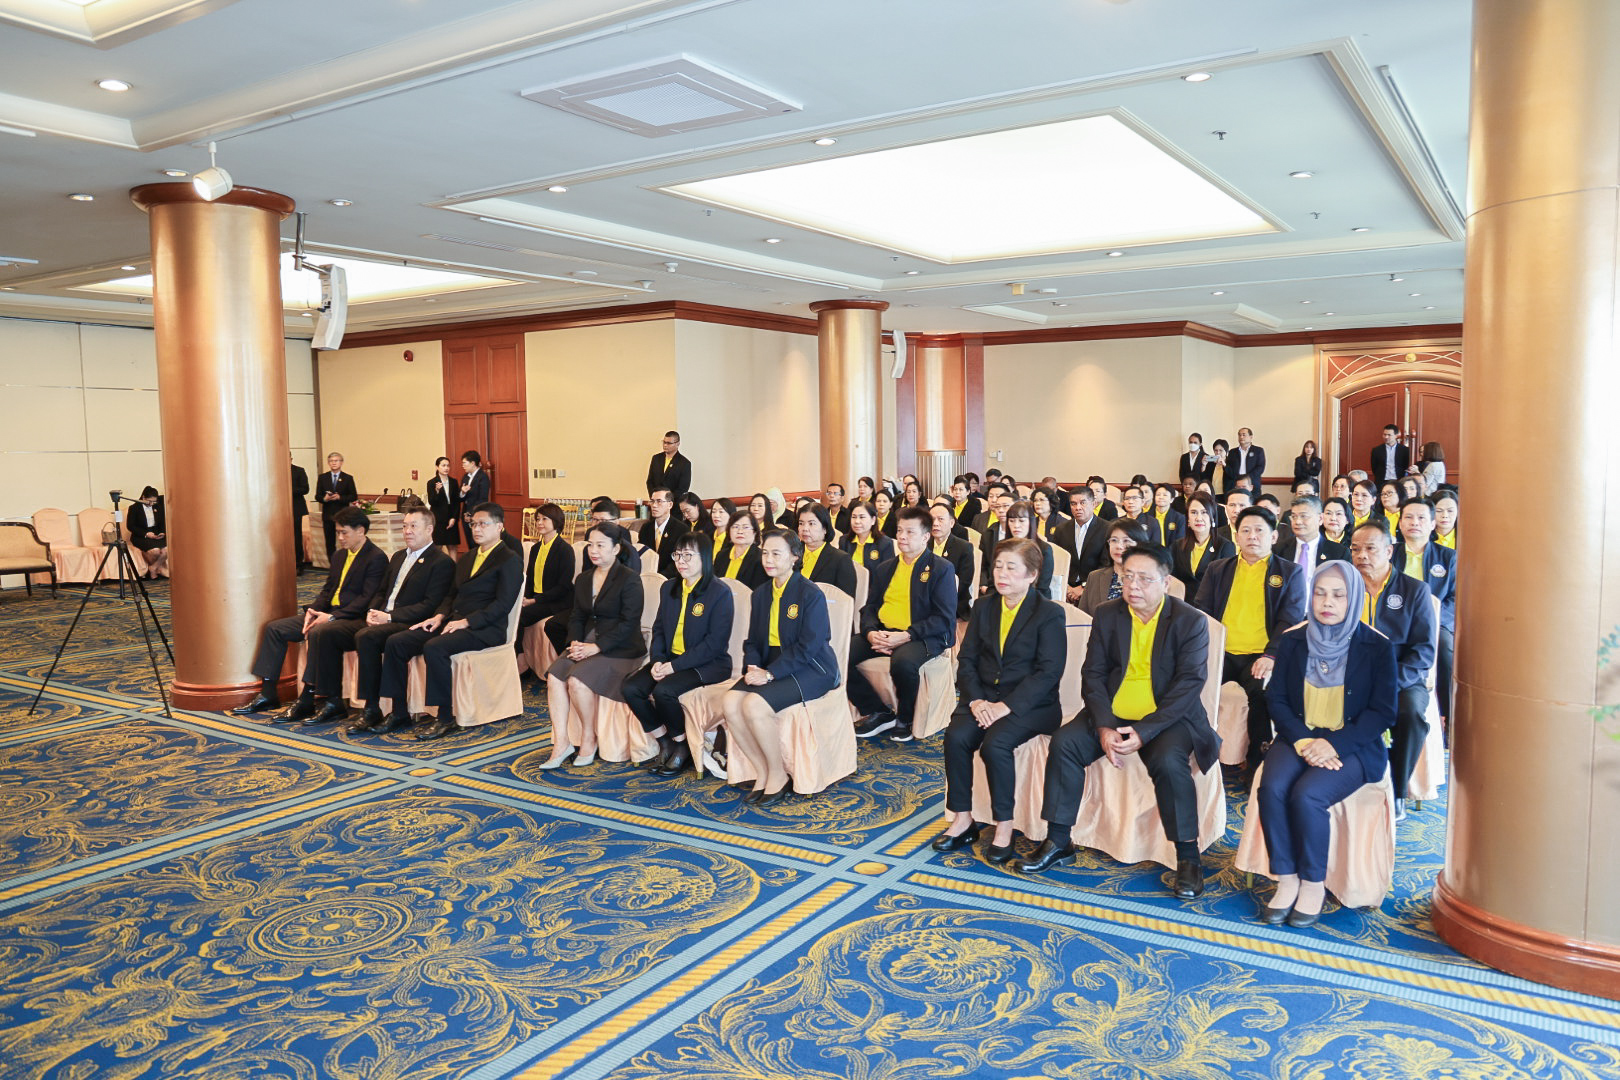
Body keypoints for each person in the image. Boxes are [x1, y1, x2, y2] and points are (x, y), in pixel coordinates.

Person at [1014, 544, 1216, 897]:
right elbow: (1092, 674)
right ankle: (1058, 840)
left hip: (1167, 719)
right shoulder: (1108, 614)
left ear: (1165, 582)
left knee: (1170, 763)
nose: (1133, 586)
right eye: (1127, 577)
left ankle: (1188, 857)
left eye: (1144, 579)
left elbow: (1188, 686)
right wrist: (1105, 726)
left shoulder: (1190, 621)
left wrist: (1144, 732)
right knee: (1065, 743)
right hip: (1112, 712)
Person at [1256, 561, 1398, 928]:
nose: (1327, 602)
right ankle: (1287, 878)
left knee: (1308, 795)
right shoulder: (1293, 639)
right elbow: (1277, 700)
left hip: (1352, 745)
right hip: (1299, 735)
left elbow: (1383, 712)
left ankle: (1313, 884)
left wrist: (1333, 745)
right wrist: (1305, 740)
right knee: (1271, 788)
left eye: (1338, 595)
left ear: (1354, 598)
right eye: (1319, 593)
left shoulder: (1377, 646)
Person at [936, 538, 1067, 861]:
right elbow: (967, 659)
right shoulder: (984, 606)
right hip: (983, 699)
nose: (1002, 574)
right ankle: (963, 819)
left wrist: (1004, 707)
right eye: (997, 566)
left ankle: (1004, 826)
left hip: (1031, 705)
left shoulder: (1049, 613)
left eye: (1011, 568)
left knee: (995, 745)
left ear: (1032, 575)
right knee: (956, 736)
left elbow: (1048, 673)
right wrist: (976, 701)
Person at [368, 502, 522, 740]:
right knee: (397, 642)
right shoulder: (468, 556)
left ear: (499, 527)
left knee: (435, 647)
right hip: (452, 621)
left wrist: (467, 622)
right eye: (473, 524)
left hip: (485, 628)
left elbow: (503, 605)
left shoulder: (509, 559)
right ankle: (399, 712)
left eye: (483, 524)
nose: (476, 529)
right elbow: (451, 595)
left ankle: (445, 716)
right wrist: (438, 617)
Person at [720, 529, 840, 803]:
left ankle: (778, 774)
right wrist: (753, 666)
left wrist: (771, 673)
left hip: (812, 667)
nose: (768, 559)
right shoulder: (761, 594)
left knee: (754, 705)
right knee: (730, 702)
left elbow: (809, 646)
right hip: (771, 662)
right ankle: (761, 770)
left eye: (776, 554)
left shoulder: (810, 593)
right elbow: (753, 641)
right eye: (765, 553)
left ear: (795, 557)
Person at [232, 506, 387, 717]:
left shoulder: (376, 557)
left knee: (318, 632)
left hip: (352, 618)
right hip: (328, 613)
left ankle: (308, 698)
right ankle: (268, 693)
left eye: (344, 533)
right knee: (275, 629)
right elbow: (328, 590)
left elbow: (366, 599)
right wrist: (313, 611)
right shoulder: (339, 555)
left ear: (361, 531)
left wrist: (332, 616)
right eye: (338, 532)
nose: (340, 538)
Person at [1193, 506, 1307, 772]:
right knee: (1191, 688)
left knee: (1263, 696)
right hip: (1220, 653)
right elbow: (1202, 612)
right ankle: (1202, 760)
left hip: (1260, 654)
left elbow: (1289, 620)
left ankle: (1258, 764)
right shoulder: (1218, 569)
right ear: (1236, 536)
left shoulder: (1289, 572)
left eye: (1259, 530)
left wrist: (1271, 655)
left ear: (1274, 537)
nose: (1252, 536)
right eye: (1245, 530)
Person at [621, 532, 736, 776]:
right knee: (631, 688)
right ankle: (665, 742)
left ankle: (682, 746)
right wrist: (658, 660)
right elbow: (659, 629)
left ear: (704, 558)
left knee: (664, 691)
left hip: (709, 664)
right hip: (670, 660)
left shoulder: (719, 592)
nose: (681, 561)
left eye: (688, 555)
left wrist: (674, 667)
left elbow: (714, 644)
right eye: (677, 555)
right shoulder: (669, 587)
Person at [337, 506, 457, 732]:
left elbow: (429, 605)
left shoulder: (441, 562)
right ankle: (371, 708)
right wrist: (373, 611)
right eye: (404, 526)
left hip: (415, 622)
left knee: (381, 639)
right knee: (364, 636)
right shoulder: (398, 556)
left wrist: (390, 617)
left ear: (429, 529)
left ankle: (398, 711)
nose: (407, 531)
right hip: (386, 618)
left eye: (413, 526)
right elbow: (382, 591)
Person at [1347, 522, 1438, 810]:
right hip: (1349, 675)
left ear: (1388, 551)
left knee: (1410, 714)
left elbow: (1424, 651)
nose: (1362, 555)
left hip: (1401, 677)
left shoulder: (1414, 590)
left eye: (1370, 548)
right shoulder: (1343, 588)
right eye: (1355, 549)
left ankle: (1396, 791)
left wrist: (1390, 682)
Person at [541, 521, 648, 766]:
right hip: (587, 641)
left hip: (620, 648)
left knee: (577, 682)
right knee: (554, 677)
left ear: (616, 549)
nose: (593, 550)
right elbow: (577, 616)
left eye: (600, 545)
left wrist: (596, 647)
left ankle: (589, 738)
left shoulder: (629, 579)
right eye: (590, 545)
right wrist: (574, 643)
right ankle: (562, 743)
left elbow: (629, 623)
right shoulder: (584, 578)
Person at [848, 506, 957, 743]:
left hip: (923, 636)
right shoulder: (886, 568)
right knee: (838, 654)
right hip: (884, 632)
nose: (902, 537)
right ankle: (878, 711)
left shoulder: (941, 569)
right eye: (899, 531)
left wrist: (906, 635)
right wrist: (870, 632)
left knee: (904, 663)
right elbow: (870, 608)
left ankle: (905, 719)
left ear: (926, 537)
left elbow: (943, 618)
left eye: (910, 532)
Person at [1394, 497, 1456, 728]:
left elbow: (1455, 598)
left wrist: (1434, 618)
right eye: (1409, 517)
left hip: (1434, 623)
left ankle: (1447, 715)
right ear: (1400, 523)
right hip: (1392, 620)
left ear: (1432, 524)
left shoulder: (1447, 557)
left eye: (1421, 518)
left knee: (1444, 646)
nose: (1414, 522)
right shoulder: (1390, 553)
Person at [518, 502, 577, 657]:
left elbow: (564, 586)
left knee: (519, 616)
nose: (539, 523)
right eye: (538, 519)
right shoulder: (535, 548)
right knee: (511, 610)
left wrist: (534, 601)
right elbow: (530, 579)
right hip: (537, 598)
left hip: (557, 601)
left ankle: (520, 658)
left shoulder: (565, 549)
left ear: (556, 521)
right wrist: (525, 598)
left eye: (544, 519)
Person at [1078, 517, 1149, 616]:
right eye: (1114, 540)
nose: (1118, 546)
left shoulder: (1149, 579)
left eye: (1126, 541)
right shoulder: (1094, 577)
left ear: (1140, 545)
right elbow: (1082, 618)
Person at [1273, 494, 1346, 586]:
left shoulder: (1339, 553)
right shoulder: (1278, 551)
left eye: (1303, 516)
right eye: (1294, 516)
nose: (1297, 521)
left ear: (1320, 519)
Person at [988, 499, 1054, 600]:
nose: (1016, 526)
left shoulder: (1044, 549)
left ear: (1031, 522)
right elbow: (993, 582)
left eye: (1022, 521)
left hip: (1034, 599)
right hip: (1002, 598)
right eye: (1011, 521)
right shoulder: (1001, 546)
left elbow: (1042, 587)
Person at [1170, 492, 1233, 595]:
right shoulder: (1177, 546)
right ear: (1188, 518)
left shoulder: (1225, 546)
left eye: (1204, 512)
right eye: (1194, 512)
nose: (1199, 518)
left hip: (1211, 603)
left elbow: (1226, 585)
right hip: (1182, 602)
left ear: (1212, 516)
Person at [1055, 486, 1109, 602]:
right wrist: (1066, 587)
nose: (1078, 508)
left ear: (1093, 504)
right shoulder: (1061, 529)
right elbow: (1057, 562)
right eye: (1073, 504)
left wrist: (1084, 587)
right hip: (1066, 590)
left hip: (1094, 589)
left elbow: (1106, 565)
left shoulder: (1107, 529)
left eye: (1083, 503)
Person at [796, 503, 857, 598]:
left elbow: (845, 601)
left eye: (811, 524)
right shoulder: (792, 554)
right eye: (801, 523)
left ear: (825, 528)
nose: (805, 529)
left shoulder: (840, 559)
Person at [928, 502, 977, 620]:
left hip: (953, 604)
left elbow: (964, 583)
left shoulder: (964, 547)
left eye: (940, 519)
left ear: (951, 523)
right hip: (925, 602)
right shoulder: (922, 544)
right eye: (932, 519)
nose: (935, 523)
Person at [638, 486, 690, 579]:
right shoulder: (646, 528)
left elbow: (680, 559)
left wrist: (658, 577)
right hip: (646, 577)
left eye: (659, 501)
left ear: (670, 505)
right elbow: (640, 554)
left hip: (670, 579)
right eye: (652, 501)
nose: (654, 505)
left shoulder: (681, 529)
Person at [314, 452, 358, 557]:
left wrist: (340, 497)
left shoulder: (348, 478)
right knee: (329, 542)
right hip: (328, 515)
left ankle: (346, 562)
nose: (334, 463)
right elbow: (317, 496)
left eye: (336, 461)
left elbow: (353, 496)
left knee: (345, 540)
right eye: (331, 461)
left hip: (343, 515)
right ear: (328, 463)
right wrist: (324, 499)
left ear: (341, 462)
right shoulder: (322, 477)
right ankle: (332, 564)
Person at [715, 510, 769, 590]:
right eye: (735, 527)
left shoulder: (760, 559)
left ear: (754, 532)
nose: (740, 531)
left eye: (745, 527)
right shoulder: (721, 555)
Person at [126, 485, 168, 579]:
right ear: (143, 497)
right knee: (155, 551)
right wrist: (146, 534)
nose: (151, 504)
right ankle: (157, 570)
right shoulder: (134, 508)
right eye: (149, 501)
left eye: (154, 501)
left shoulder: (158, 506)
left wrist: (162, 532)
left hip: (155, 534)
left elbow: (162, 522)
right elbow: (130, 526)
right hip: (141, 535)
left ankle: (153, 568)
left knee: (167, 550)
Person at [840, 500, 895, 572]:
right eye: (854, 517)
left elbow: (887, 573)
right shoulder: (844, 541)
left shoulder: (885, 543)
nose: (857, 521)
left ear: (873, 520)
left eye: (862, 517)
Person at [426, 456, 460, 554]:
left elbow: (456, 502)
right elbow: (432, 502)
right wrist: (437, 491)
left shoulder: (453, 482)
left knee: (452, 546)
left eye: (448, 466)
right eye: (443, 465)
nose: (446, 468)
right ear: (437, 467)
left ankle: (453, 565)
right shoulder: (432, 483)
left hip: (451, 516)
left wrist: (454, 517)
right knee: (438, 546)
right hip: (438, 518)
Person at [646, 430, 692, 498]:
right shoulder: (656, 458)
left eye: (669, 443)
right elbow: (650, 481)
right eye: (664, 442)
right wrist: (655, 498)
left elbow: (682, 488)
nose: (665, 445)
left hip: (673, 502)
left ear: (677, 444)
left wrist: (667, 499)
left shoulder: (684, 463)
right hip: (656, 500)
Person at [457, 451, 491, 538]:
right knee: (469, 541)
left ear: (472, 463)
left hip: (476, 515)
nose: (462, 465)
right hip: (465, 514)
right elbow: (460, 498)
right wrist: (462, 492)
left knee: (476, 541)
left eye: (464, 463)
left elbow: (482, 499)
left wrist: (471, 513)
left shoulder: (482, 477)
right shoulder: (465, 477)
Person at [1226, 428, 1266, 493]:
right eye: (1239, 435)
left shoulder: (1258, 451)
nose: (1241, 437)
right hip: (1235, 485)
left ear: (1251, 437)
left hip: (1252, 484)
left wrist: (1247, 479)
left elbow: (1260, 467)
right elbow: (1229, 468)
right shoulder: (1232, 452)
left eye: (1244, 435)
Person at [1147, 483, 1186, 549]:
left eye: (1165, 495)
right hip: (1150, 553)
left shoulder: (1179, 518)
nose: (1161, 497)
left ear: (1172, 499)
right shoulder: (1146, 516)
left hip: (1171, 553)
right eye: (1158, 495)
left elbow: (1180, 541)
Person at [290, 453, 310, 570]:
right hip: (279, 510)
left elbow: (305, 489)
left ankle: (298, 563)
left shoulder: (299, 471)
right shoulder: (276, 471)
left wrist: (288, 490)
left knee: (296, 536)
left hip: (296, 508)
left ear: (291, 458)